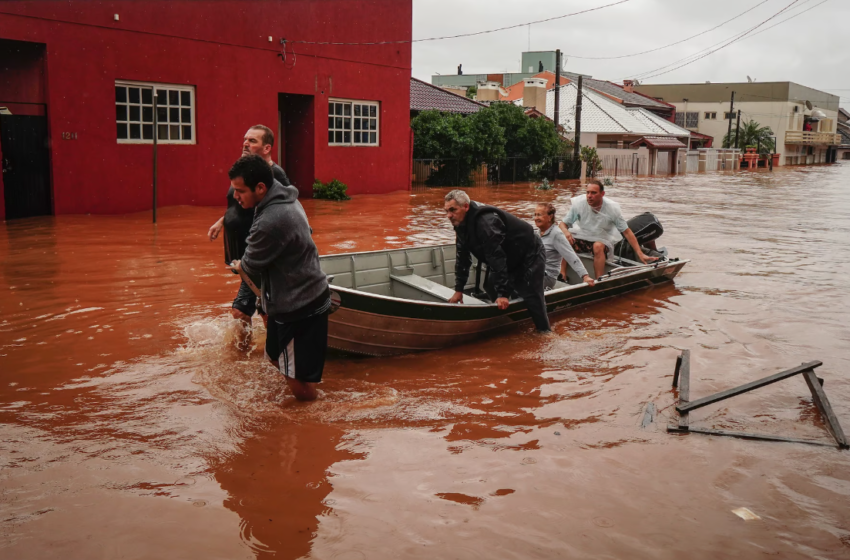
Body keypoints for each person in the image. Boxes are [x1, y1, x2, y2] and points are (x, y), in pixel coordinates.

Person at [229, 155, 330, 402]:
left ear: (261, 188)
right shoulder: (285, 198)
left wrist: (240, 264)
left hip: (298, 305)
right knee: (275, 356)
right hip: (292, 297)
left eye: (240, 191)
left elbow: (250, 264)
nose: (235, 196)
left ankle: (310, 420)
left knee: (296, 379)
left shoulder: (272, 219)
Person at [207, 125, 290, 327]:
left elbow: (287, 209)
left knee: (241, 310)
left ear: (267, 148)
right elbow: (239, 202)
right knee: (263, 304)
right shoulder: (245, 170)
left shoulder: (274, 175)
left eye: (252, 141)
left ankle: (253, 354)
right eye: (245, 139)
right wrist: (223, 221)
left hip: (259, 252)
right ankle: (266, 348)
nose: (245, 143)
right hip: (244, 252)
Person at [444, 190, 550, 332]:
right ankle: (510, 323)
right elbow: (462, 258)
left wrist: (503, 294)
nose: (449, 216)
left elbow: (496, 257)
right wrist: (459, 290)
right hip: (509, 256)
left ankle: (545, 333)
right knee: (490, 285)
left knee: (531, 294)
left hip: (530, 253)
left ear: (466, 207)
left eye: (453, 210)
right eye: (447, 211)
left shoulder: (486, 222)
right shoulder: (460, 224)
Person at [558, 180, 657, 279]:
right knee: (565, 239)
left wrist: (640, 253)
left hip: (602, 240)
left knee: (598, 246)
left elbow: (627, 232)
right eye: (587, 192)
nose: (589, 196)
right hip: (582, 236)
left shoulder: (612, 209)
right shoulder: (579, 204)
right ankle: (562, 275)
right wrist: (566, 232)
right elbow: (562, 224)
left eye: (593, 193)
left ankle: (599, 280)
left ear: (602, 194)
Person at [533, 203, 594, 290]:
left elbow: (571, 256)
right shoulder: (537, 233)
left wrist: (585, 276)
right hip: (535, 271)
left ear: (550, 217)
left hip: (547, 276)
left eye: (539, 215)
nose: (536, 218)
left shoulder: (556, 234)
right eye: (535, 215)